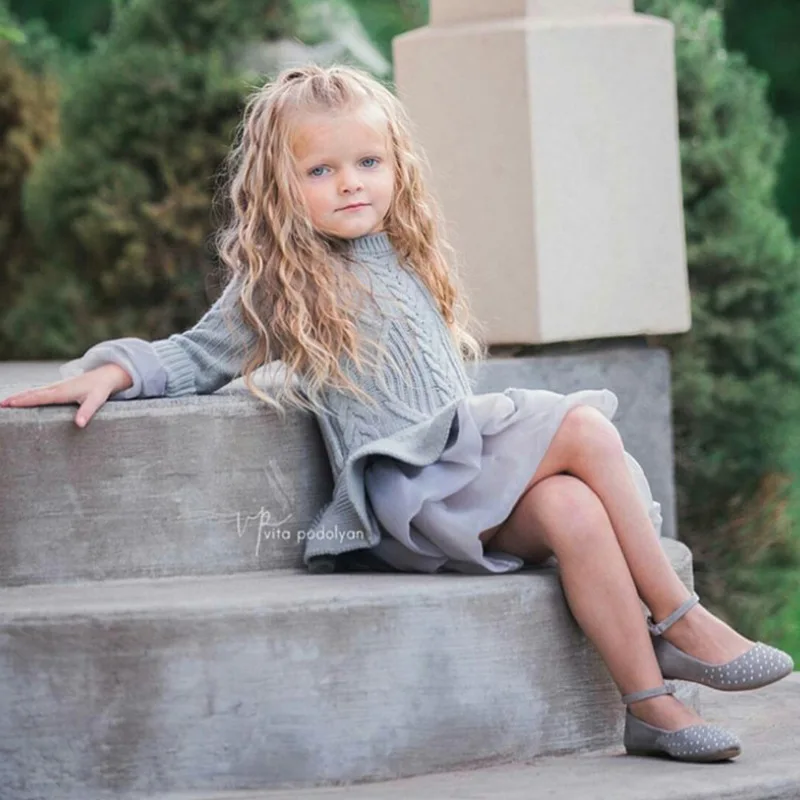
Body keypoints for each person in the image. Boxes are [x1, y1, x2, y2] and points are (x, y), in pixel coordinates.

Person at [1, 64, 792, 763]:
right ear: (279, 187)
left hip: (464, 485)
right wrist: (111, 372)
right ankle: (681, 620)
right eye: (321, 170)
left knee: (573, 509)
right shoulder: (282, 283)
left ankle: (649, 706)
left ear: (396, 166)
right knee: (583, 426)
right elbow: (191, 355)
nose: (351, 183)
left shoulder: (408, 257)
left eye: (368, 163)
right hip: (411, 494)